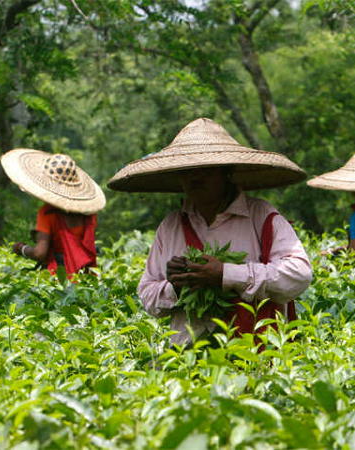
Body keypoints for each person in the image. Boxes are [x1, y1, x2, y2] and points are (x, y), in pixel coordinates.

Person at [108, 118, 313, 346]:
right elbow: (147, 295)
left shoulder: (260, 216)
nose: (196, 177)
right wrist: (176, 286)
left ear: (226, 171)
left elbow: (299, 274)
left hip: (254, 358)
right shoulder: (171, 226)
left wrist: (226, 274)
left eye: (206, 169)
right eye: (188, 170)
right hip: (186, 362)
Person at [0, 149, 106, 275]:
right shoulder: (89, 213)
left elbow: (39, 253)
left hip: (59, 277)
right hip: (87, 275)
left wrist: (21, 248)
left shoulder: (47, 214)